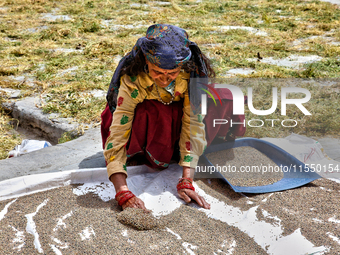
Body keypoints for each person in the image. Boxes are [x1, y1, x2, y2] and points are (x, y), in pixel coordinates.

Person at [101, 24, 246, 212]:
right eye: (158, 72)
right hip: (146, 123)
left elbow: (192, 123)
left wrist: (187, 180)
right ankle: (147, 154)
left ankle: (177, 153)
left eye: (172, 73)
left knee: (224, 98)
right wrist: (122, 192)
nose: (164, 79)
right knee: (150, 111)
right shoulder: (133, 81)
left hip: (174, 120)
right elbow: (118, 135)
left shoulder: (189, 76)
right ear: (146, 61)